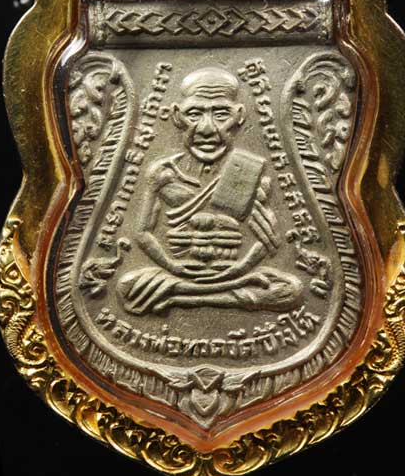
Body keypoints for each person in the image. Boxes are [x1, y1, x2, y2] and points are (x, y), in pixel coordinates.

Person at [116, 66, 303, 315]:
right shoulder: (162, 172)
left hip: (232, 271)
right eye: (194, 114)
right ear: (177, 116)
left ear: (239, 115)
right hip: (178, 272)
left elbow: (269, 239)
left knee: (292, 290)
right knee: (125, 286)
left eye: (221, 113)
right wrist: (172, 266)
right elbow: (142, 233)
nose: (207, 129)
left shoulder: (246, 170)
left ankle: (179, 298)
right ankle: (223, 294)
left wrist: (240, 269)